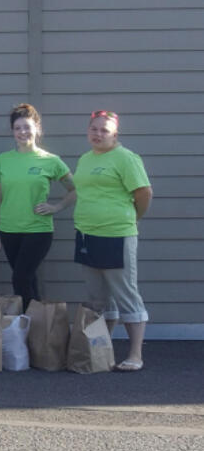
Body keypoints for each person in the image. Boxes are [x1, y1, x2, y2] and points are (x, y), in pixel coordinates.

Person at [73, 110, 152, 372]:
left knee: (126, 295)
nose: (98, 134)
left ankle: (135, 355)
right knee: (97, 299)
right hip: (86, 234)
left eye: (104, 130)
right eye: (94, 129)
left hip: (117, 235)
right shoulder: (85, 159)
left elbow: (143, 193)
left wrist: (132, 219)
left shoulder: (126, 158)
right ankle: (101, 351)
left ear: (115, 134)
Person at [0, 104, 76, 308]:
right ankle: (39, 329)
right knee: (28, 280)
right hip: (9, 230)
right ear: (12, 131)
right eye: (18, 128)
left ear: (36, 127)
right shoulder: (3, 160)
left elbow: (75, 189)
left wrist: (57, 207)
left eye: (27, 127)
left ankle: (27, 325)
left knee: (20, 279)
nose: (22, 132)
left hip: (38, 230)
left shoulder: (51, 161)